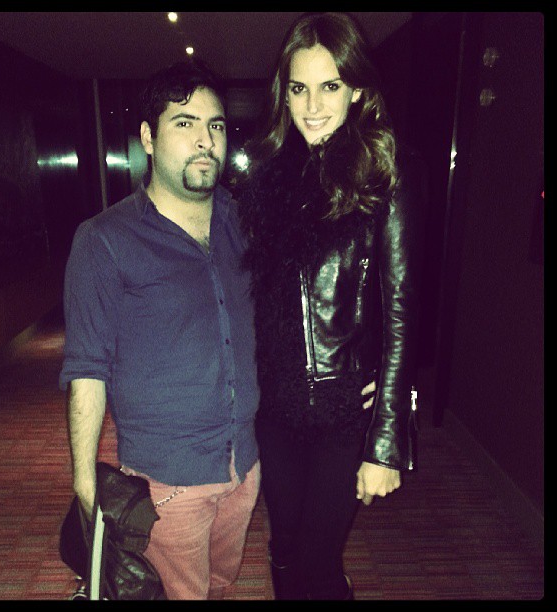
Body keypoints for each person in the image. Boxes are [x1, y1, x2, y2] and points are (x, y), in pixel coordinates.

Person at [238, 12, 426, 600]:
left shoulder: (383, 175)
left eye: (330, 86)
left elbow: (401, 312)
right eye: (299, 88)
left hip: (344, 412)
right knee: (284, 550)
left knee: (319, 564)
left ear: (357, 90)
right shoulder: (268, 178)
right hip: (276, 410)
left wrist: (386, 440)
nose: (313, 105)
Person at [59, 59, 261, 600]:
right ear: (148, 138)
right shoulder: (104, 240)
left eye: (215, 125)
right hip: (168, 482)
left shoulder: (243, 222)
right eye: (185, 123)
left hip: (244, 465)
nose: (205, 140)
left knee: (220, 583)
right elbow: (87, 370)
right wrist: (85, 484)